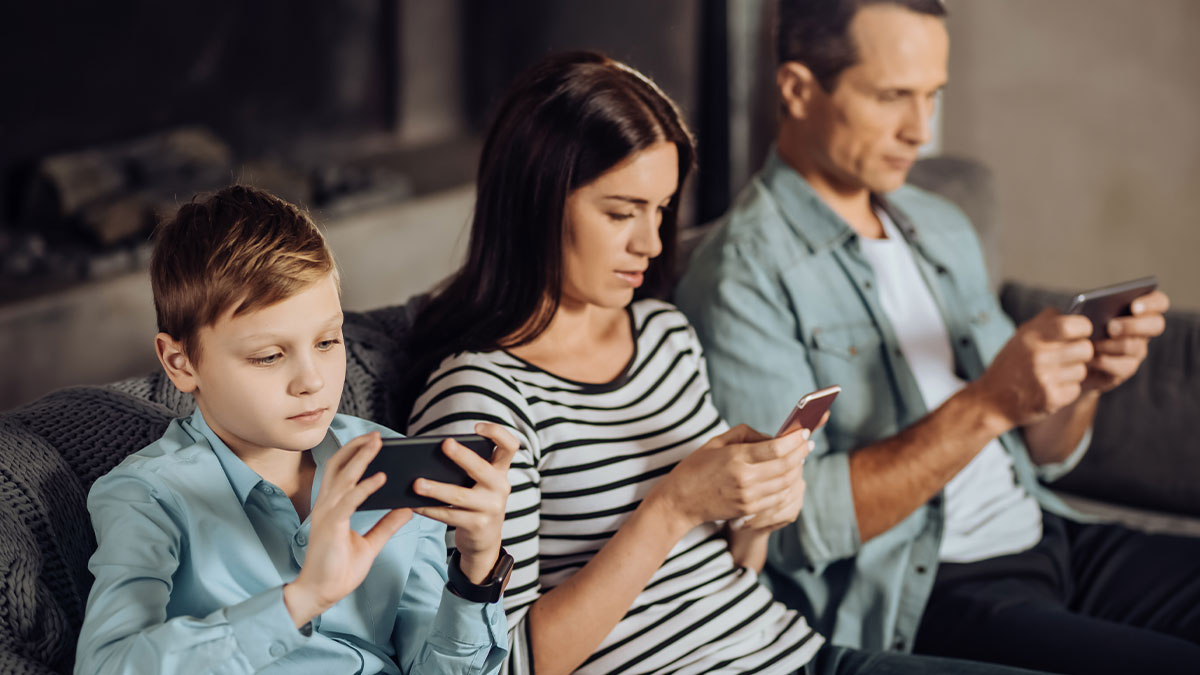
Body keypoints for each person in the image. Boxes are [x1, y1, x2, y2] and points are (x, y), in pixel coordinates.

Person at [405, 50, 1045, 675]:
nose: (651, 243)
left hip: (798, 653)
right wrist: (670, 509)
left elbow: (733, 570)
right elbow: (499, 662)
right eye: (621, 212)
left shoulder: (664, 333)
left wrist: (759, 514)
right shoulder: (482, 398)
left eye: (661, 210)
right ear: (535, 201)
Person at [675, 1, 1200, 673]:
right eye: (892, 96)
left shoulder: (941, 225)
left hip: (1049, 532)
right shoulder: (741, 274)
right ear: (799, 90)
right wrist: (988, 403)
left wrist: (1082, 382)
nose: (920, 132)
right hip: (930, 589)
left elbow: (1044, 453)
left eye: (931, 96)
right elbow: (787, 530)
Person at [75, 186, 515, 674]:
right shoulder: (148, 496)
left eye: (327, 342)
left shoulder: (388, 461)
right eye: (269, 356)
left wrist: (476, 573)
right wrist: (302, 600)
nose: (312, 381)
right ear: (181, 364)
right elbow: (105, 666)